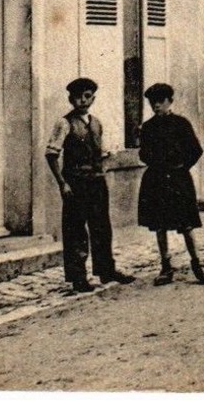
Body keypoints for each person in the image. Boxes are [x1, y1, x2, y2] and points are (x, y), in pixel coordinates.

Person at [45, 77, 135, 293]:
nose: (82, 101)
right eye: (77, 97)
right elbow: (51, 154)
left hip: (96, 181)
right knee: (76, 230)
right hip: (76, 183)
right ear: (70, 98)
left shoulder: (97, 123)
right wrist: (62, 183)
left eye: (87, 96)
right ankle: (78, 277)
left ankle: (106, 270)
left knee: (102, 227)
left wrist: (103, 166)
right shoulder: (64, 123)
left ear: (93, 98)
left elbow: (102, 152)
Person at [137, 83, 204, 286]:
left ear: (170, 101)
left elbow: (196, 150)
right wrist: (153, 160)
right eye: (153, 103)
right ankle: (166, 267)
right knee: (159, 225)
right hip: (156, 180)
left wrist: (181, 166)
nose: (156, 106)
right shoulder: (148, 127)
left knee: (186, 224)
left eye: (160, 102)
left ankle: (197, 265)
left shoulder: (181, 124)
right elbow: (143, 153)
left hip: (178, 180)